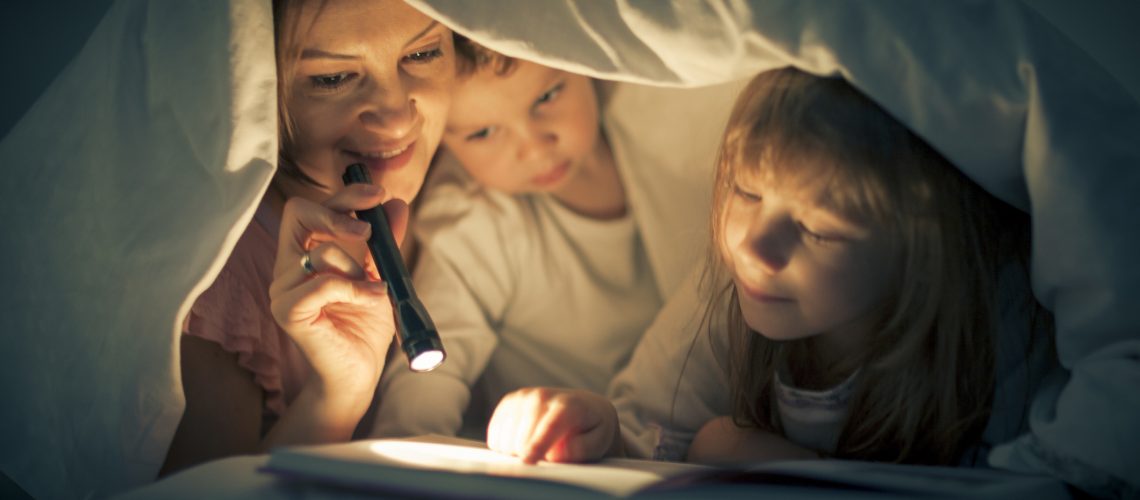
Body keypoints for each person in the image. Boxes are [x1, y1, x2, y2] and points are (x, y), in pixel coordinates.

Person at [483, 67, 1053, 467]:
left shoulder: (990, 334)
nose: (754, 247)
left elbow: (1022, 479)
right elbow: (648, 424)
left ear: (921, 254)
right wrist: (594, 423)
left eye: (819, 228)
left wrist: (744, 451)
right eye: (747, 192)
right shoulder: (731, 297)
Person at [159, 0, 456, 474]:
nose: (398, 118)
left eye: (422, 54)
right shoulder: (219, 279)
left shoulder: (469, 166)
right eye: (331, 79)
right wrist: (336, 392)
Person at [371, 40, 661, 439]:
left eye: (547, 95)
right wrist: (401, 463)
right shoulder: (474, 218)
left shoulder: (648, 127)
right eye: (483, 133)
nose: (534, 147)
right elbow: (431, 371)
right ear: (443, 144)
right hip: (568, 452)